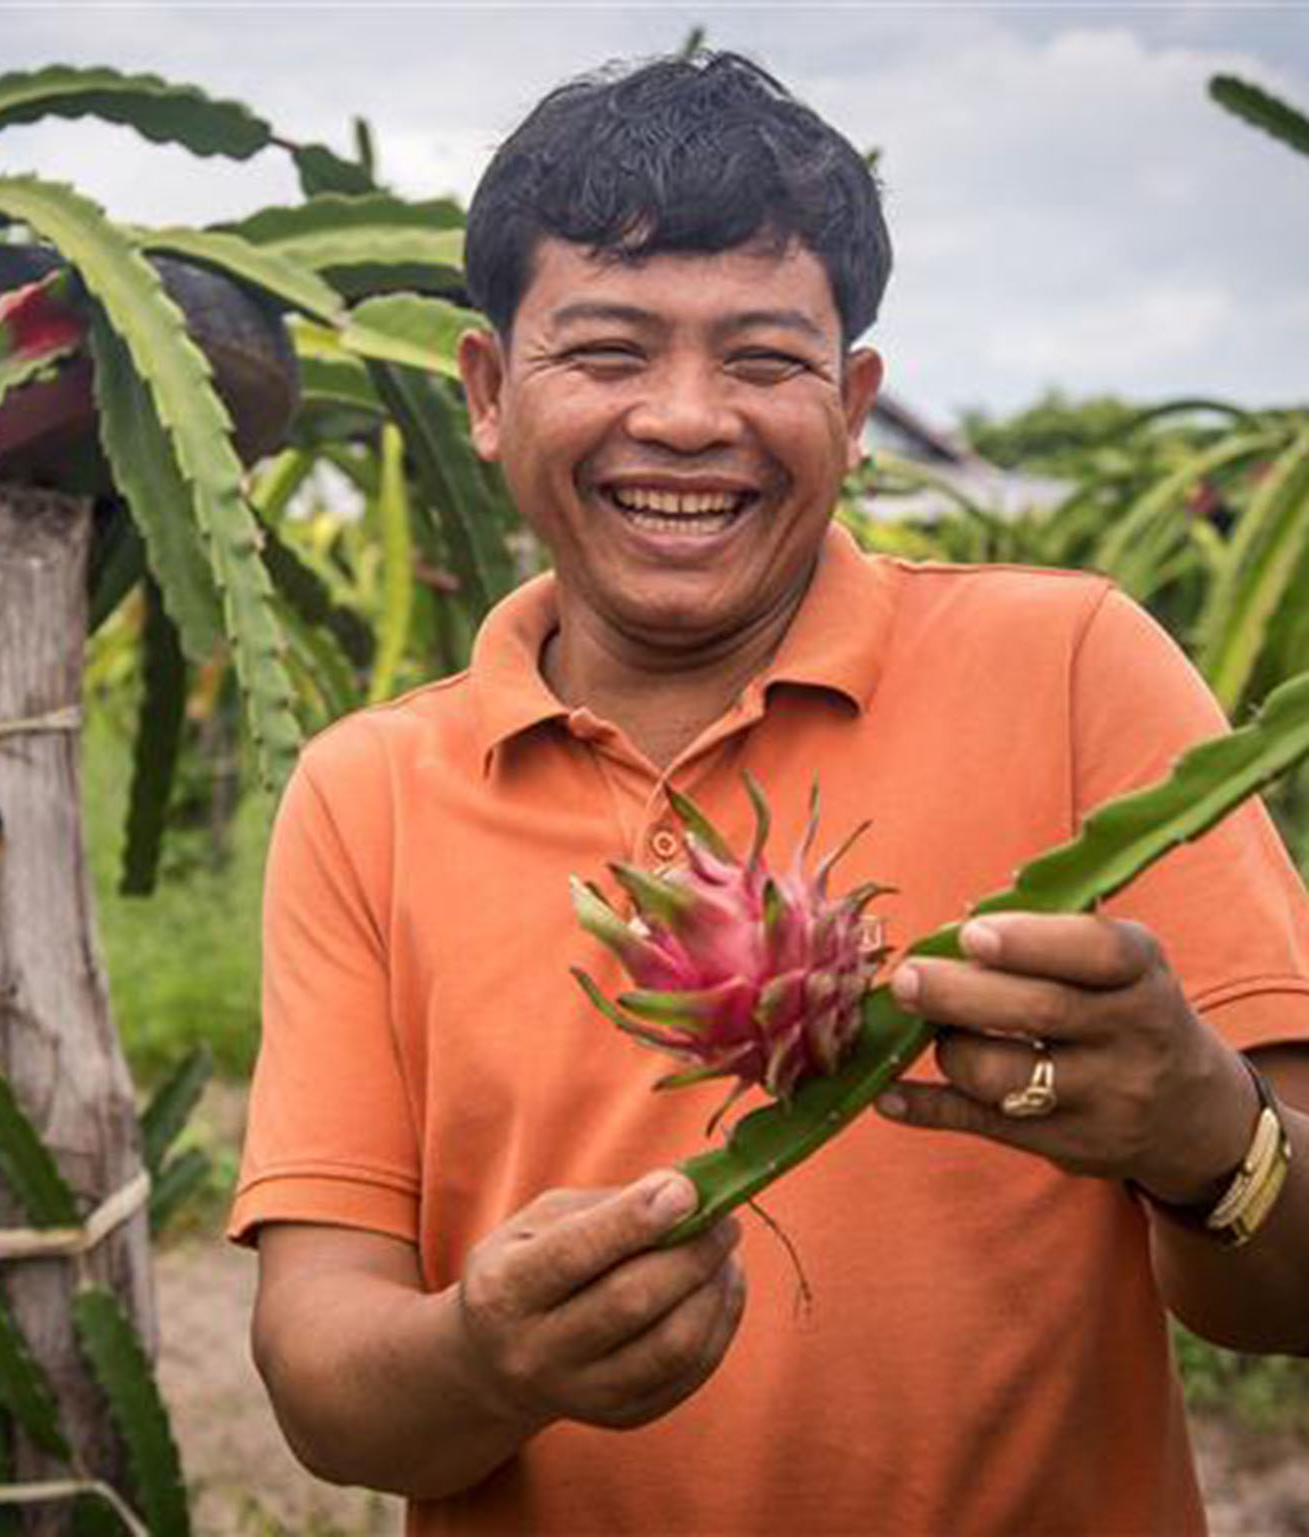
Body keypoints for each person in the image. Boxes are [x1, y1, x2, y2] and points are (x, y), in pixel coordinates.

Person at [230, 49, 1309, 1535]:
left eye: (763, 359)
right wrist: (484, 1353)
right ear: (487, 392)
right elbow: (319, 1373)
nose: (685, 418)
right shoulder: (367, 793)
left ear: (854, 403)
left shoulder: (1075, 669)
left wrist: (1211, 1132)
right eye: (607, 352)